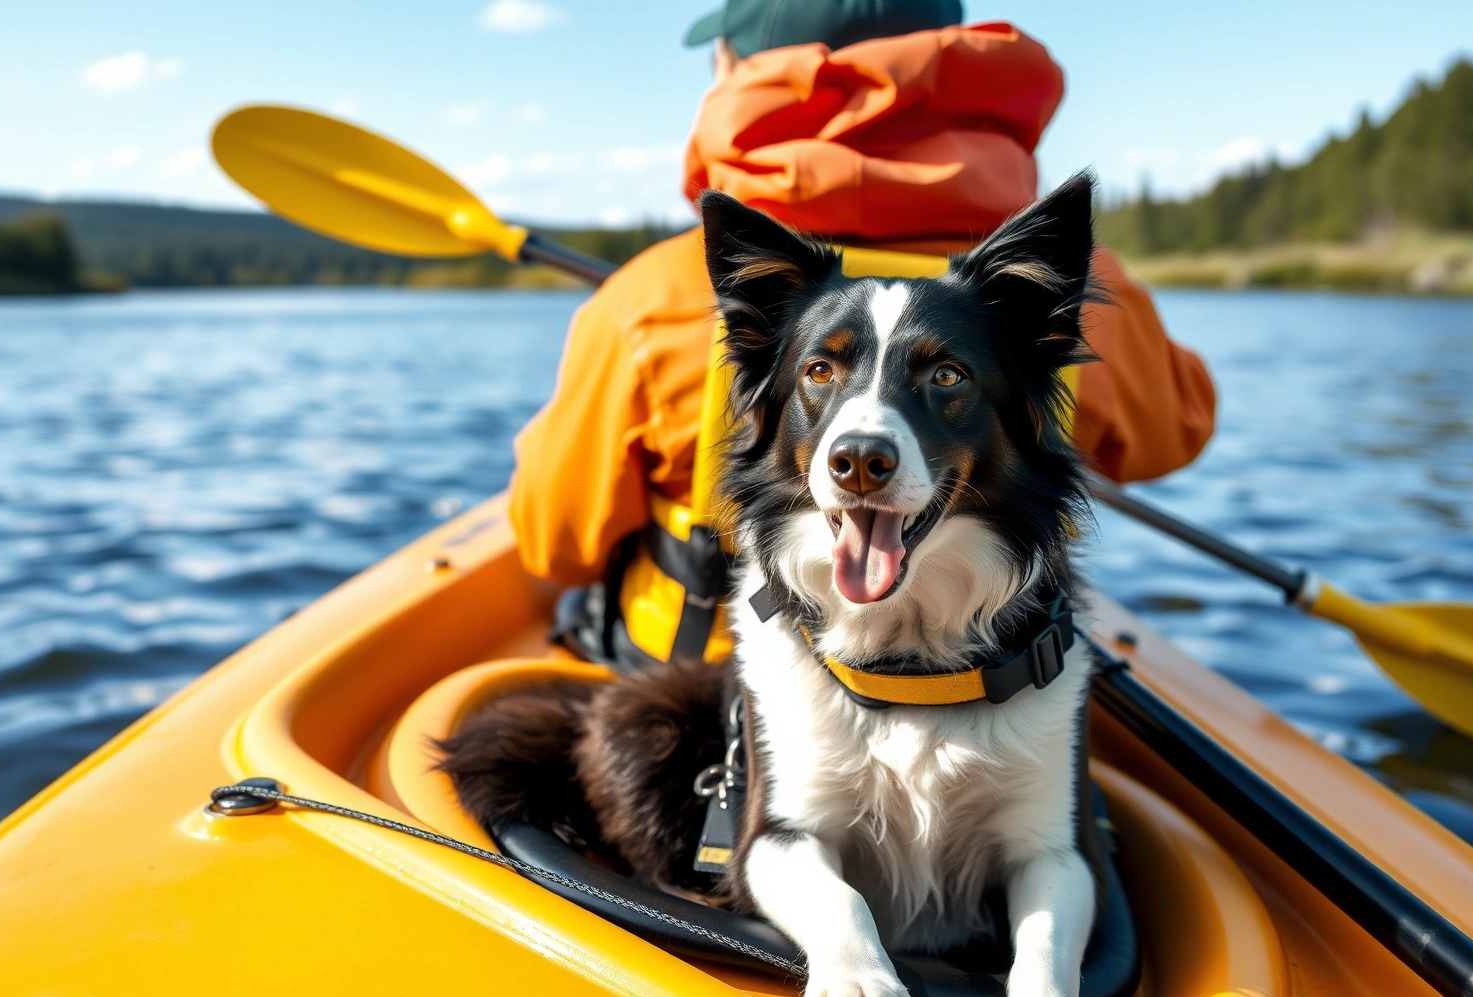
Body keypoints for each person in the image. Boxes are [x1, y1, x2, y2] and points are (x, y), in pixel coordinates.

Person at [512, 0, 1216, 668]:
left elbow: (556, 542)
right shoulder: (1064, 292)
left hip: (698, 674)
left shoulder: (650, 295)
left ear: (736, 69)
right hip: (989, 653)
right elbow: (1178, 432)